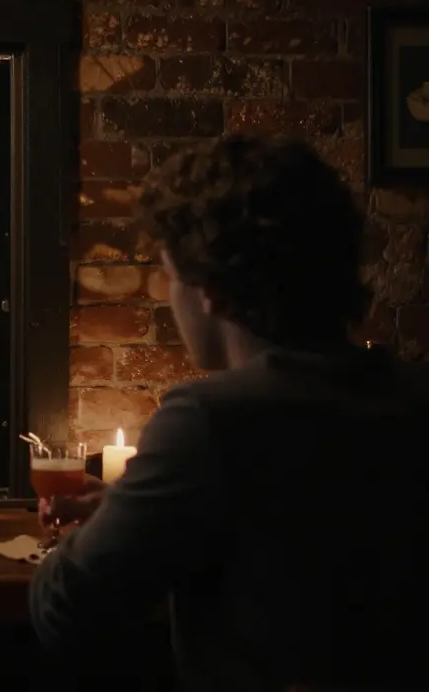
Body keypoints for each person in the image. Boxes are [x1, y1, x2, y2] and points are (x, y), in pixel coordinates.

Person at [27, 134, 429, 689]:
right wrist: (132, 503)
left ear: (210, 289)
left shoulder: (209, 419)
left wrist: (91, 536)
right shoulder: (413, 394)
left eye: (170, 275)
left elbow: (64, 611)